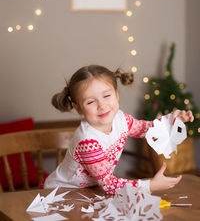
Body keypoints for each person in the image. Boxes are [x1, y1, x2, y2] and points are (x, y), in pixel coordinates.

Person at [44, 65, 194, 194]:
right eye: (90, 102)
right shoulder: (87, 141)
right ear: (78, 109)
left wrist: (172, 120)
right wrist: (149, 185)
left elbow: (146, 128)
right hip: (62, 193)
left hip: (89, 191)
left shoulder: (121, 120)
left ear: (117, 94)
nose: (102, 105)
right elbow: (108, 184)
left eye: (107, 95)